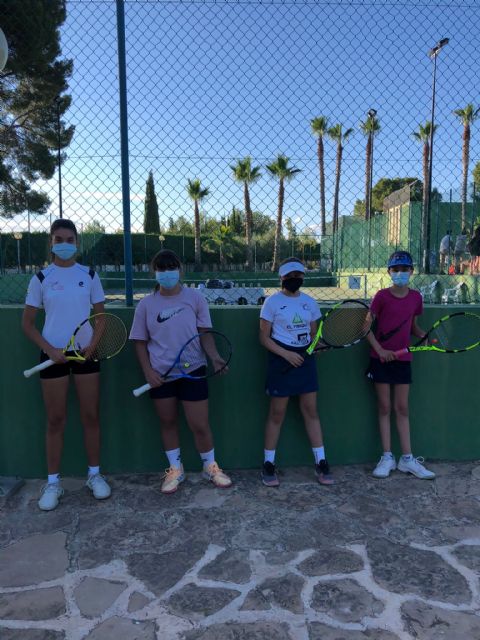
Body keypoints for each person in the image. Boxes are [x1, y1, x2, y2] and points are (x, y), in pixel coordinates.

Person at [22, 219, 111, 511]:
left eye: (69, 239)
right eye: (58, 239)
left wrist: (92, 346)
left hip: (86, 355)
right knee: (56, 420)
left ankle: (94, 476)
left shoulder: (90, 275)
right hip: (52, 358)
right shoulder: (40, 278)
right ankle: (53, 483)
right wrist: (50, 350)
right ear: (51, 243)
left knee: (91, 416)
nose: (64, 244)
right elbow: (28, 324)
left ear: (77, 243)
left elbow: (101, 318)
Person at [129, 249, 232, 494]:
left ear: (180, 270)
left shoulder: (195, 299)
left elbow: (204, 334)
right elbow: (140, 342)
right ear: (155, 272)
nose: (167, 272)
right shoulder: (145, 305)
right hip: (160, 375)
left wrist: (215, 358)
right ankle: (175, 470)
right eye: (161, 268)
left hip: (194, 370)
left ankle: (210, 467)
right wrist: (148, 372)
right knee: (168, 422)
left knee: (200, 424)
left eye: (171, 267)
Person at [259, 257, 333, 487]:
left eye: (298, 275)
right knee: (277, 413)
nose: (294, 279)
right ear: (281, 277)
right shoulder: (271, 302)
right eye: (289, 276)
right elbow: (264, 338)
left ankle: (321, 462)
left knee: (310, 411)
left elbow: (314, 335)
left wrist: (318, 345)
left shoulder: (310, 303)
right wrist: (286, 354)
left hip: (305, 362)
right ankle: (268, 464)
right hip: (281, 361)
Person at [366, 250, 435, 480]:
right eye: (395, 269)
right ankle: (387, 457)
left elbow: (412, 327)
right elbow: (365, 328)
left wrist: (423, 335)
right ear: (389, 272)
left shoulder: (416, 298)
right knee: (384, 407)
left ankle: (407, 459)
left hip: (403, 360)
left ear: (411, 271)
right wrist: (380, 351)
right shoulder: (381, 297)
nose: (400, 273)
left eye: (404, 269)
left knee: (402, 408)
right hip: (380, 360)